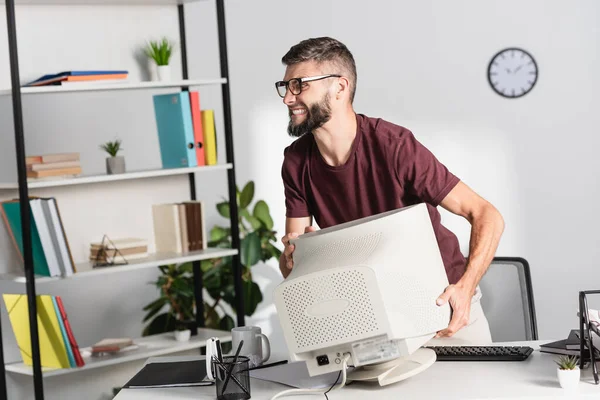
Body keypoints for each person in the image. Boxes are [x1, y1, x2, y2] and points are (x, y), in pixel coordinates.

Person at [276, 37, 505, 343]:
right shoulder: (295, 161)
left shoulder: (394, 147)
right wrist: (293, 256)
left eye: (299, 85)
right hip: (370, 316)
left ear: (340, 88)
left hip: (445, 307)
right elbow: (291, 266)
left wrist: (464, 288)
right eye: (285, 86)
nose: (287, 99)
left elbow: (487, 215)